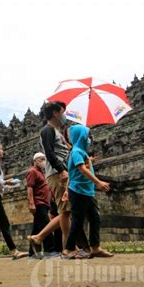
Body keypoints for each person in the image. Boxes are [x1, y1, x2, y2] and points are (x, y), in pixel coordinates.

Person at [30, 102, 89, 251]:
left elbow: (62, 152)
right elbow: (49, 153)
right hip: (57, 174)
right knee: (65, 211)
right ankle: (69, 248)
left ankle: (39, 237)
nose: (65, 115)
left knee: (66, 211)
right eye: (63, 112)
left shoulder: (57, 131)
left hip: (62, 172)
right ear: (55, 113)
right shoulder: (47, 130)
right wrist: (61, 170)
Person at [62, 125, 113, 259]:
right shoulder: (76, 151)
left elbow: (72, 172)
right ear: (81, 137)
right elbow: (81, 170)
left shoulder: (81, 153)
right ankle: (67, 250)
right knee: (78, 221)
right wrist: (99, 182)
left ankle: (95, 248)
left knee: (95, 218)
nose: (90, 139)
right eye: (88, 136)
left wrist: (89, 160)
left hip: (86, 191)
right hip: (78, 191)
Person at [25, 153, 57, 258]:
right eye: (41, 159)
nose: (43, 161)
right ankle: (50, 250)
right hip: (38, 203)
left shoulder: (42, 173)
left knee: (37, 229)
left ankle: (32, 253)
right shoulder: (32, 171)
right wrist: (31, 203)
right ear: (35, 161)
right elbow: (30, 188)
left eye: (44, 159)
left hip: (45, 203)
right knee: (47, 226)